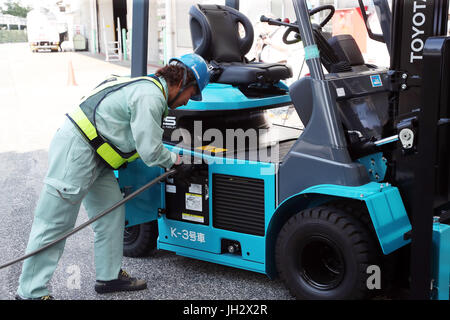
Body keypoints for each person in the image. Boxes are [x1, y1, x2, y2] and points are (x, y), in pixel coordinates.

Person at [15, 53, 210, 300]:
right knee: (54, 223)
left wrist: (180, 160)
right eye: (191, 94)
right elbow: (150, 150)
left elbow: (143, 142)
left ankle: (108, 277)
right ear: (182, 83)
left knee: (111, 213)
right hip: (76, 152)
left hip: (99, 157)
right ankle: (30, 292)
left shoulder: (147, 88)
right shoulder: (149, 96)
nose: (186, 102)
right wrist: (177, 163)